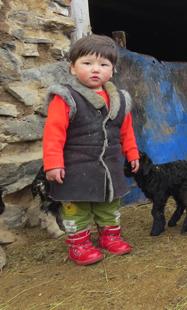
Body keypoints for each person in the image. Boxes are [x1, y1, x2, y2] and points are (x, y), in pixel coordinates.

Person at [43, 34, 140, 265]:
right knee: (77, 207)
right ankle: (79, 245)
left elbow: (126, 131)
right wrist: (53, 163)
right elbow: (53, 133)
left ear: (112, 70)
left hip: (109, 166)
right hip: (75, 168)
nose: (95, 70)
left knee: (109, 202)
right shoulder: (66, 98)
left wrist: (132, 153)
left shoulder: (120, 101)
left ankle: (110, 237)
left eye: (103, 64)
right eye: (87, 63)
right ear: (73, 68)